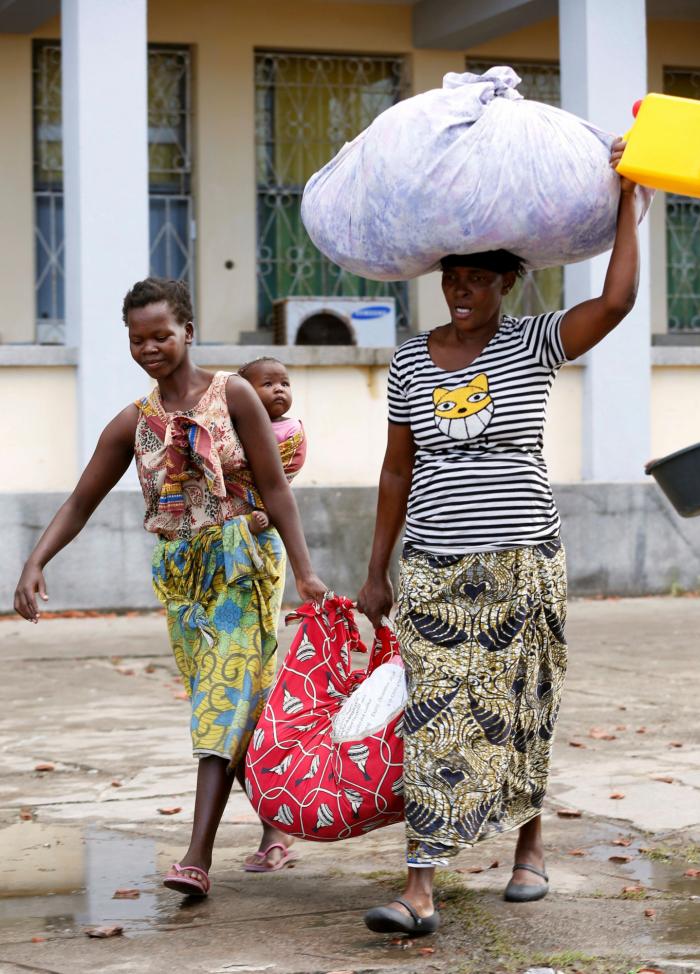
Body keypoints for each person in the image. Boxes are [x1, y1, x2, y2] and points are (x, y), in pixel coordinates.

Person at [357, 138, 639, 936]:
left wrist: (630, 205)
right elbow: (392, 473)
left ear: (508, 281)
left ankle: (530, 846)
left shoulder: (535, 341)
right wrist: (375, 572)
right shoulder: (412, 360)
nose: (460, 291)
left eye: (477, 277)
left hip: (523, 563)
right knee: (436, 714)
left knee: (521, 708)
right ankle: (420, 887)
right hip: (434, 570)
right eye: (451, 277)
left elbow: (614, 304)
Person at [14, 277, 327, 895]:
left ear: (187, 330)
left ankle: (197, 857)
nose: (150, 347)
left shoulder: (232, 392)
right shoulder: (136, 421)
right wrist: (34, 561)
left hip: (243, 562)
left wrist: (306, 569)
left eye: (161, 334)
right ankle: (277, 830)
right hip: (182, 579)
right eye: (137, 339)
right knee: (237, 704)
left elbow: (278, 488)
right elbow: (82, 500)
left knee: (222, 696)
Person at [237, 357, 307, 537]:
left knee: (276, 499)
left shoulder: (292, 428)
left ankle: (265, 517)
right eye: (268, 384)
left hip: (272, 493)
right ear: (245, 393)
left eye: (285, 384)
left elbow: (291, 465)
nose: (279, 389)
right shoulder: (237, 424)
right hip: (236, 496)